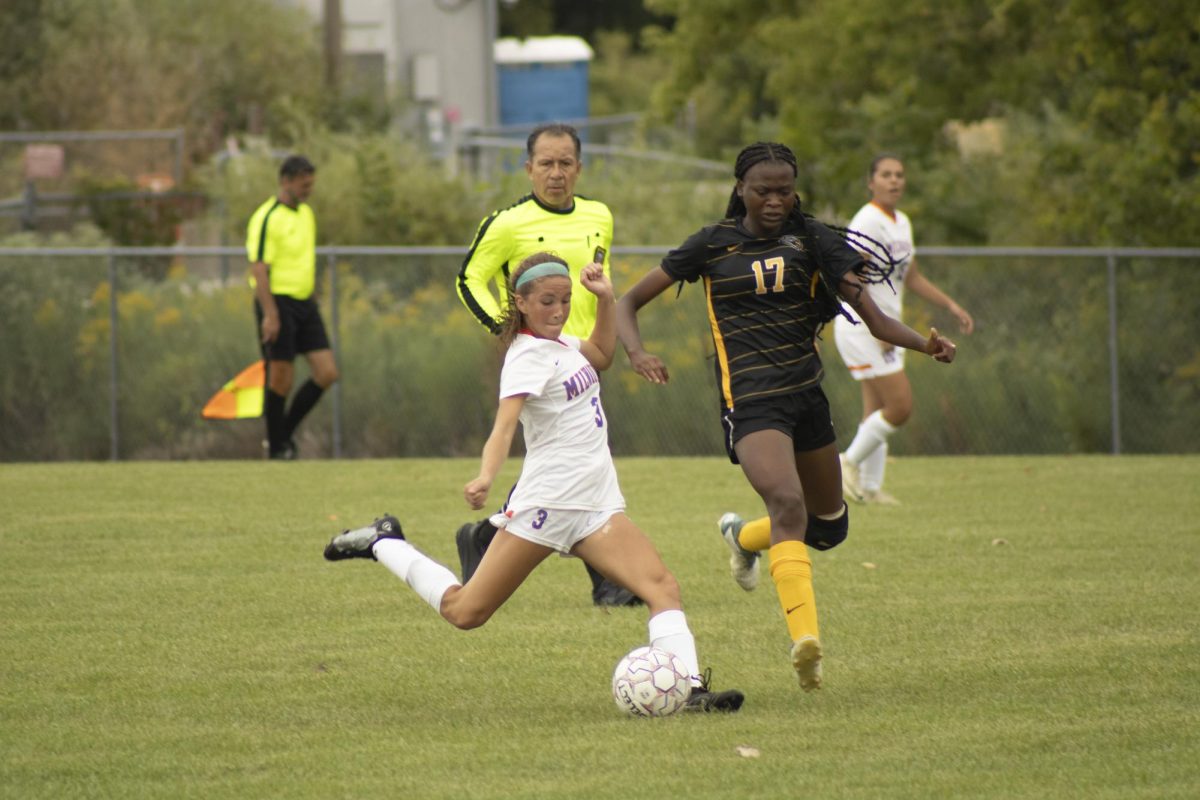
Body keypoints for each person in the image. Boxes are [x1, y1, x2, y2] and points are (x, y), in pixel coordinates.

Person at [324, 254, 743, 713]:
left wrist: (605, 298)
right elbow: (504, 428)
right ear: (520, 302)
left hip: (595, 503)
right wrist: (486, 475)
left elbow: (602, 356)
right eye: (547, 301)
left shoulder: (559, 342)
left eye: (565, 299)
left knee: (662, 587)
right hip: (546, 506)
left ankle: (689, 690)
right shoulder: (525, 358)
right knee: (465, 612)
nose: (559, 309)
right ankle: (385, 542)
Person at [615, 142, 956, 692]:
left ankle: (744, 538)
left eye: (784, 191)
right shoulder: (712, 244)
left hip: (806, 399)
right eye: (762, 191)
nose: (774, 200)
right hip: (751, 402)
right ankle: (807, 646)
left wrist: (925, 344)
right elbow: (625, 303)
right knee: (788, 503)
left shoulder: (815, 242)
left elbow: (874, 319)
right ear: (740, 190)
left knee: (829, 527)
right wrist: (636, 352)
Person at [454, 122, 640, 607]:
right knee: (567, 465)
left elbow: (601, 277)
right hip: (538, 360)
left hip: (584, 356)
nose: (555, 173)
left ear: (579, 167)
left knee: (574, 463)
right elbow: (469, 278)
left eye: (564, 163)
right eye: (545, 164)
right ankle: (608, 581)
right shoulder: (507, 222)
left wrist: (617, 336)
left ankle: (485, 536)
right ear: (528, 168)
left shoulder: (599, 215)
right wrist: (505, 327)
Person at [833, 154, 974, 504]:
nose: (894, 180)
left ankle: (868, 488)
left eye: (899, 174)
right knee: (900, 406)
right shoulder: (867, 221)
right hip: (865, 326)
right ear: (871, 182)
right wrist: (879, 330)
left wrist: (950, 305)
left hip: (887, 328)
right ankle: (846, 463)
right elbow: (854, 278)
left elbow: (910, 276)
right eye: (885, 174)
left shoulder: (902, 222)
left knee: (876, 408)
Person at [245, 154, 338, 459]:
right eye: (303, 183)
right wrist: (270, 314)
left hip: (304, 303)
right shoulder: (266, 217)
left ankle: (280, 435)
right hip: (277, 302)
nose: (307, 189)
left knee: (326, 372)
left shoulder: (307, 214)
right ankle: (277, 448)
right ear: (285, 181)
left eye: (310, 184)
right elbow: (259, 268)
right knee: (281, 378)